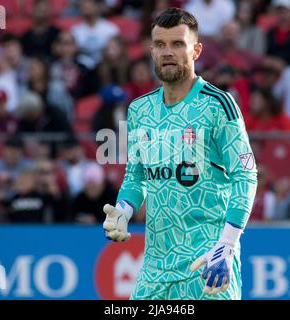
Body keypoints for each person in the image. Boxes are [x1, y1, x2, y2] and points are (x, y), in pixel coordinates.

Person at [102, 8, 257, 300]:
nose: (167, 52)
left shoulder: (218, 105)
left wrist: (227, 245)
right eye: (160, 44)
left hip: (208, 264)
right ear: (151, 50)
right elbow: (136, 176)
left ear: (196, 50)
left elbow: (246, 175)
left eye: (177, 44)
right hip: (154, 270)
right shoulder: (139, 110)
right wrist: (123, 210)